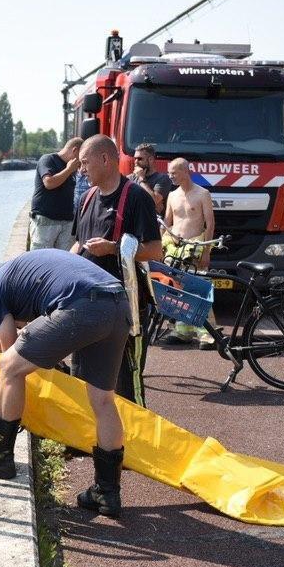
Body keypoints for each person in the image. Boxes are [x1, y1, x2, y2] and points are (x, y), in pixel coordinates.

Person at [0, 250, 132, 517]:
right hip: (117, 302)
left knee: (9, 368)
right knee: (102, 400)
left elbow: (10, 350)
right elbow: (23, 335)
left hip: (82, 306)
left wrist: (3, 350)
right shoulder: (20, 270)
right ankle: (107, 492)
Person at [71, 135, 164, 404]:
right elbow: (78, 244)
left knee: (124, 386)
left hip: (123, 309)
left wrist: (113, 248)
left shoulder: (136, 197)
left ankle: (131, 431)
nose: (81, 170)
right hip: (85, 305)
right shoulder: (86, 198)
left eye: (85, 163)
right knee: (82, 378)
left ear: (104, 159)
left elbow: (154, 250)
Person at [161, 157, 217, 348]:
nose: (170, 176)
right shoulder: (172, 195)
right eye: (169, 173)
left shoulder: (203, 194)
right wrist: (160, 245)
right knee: (177, 290)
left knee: (199, 289)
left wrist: (206, 252)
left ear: (186, 172)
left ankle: (207, 334)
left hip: (195, 248)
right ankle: (183, 330)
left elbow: (210, 224)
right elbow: (167, 222)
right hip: (174, 248)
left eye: (174, 173)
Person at [29, 137, 83, 250]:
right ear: (74, 150)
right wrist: (68, 170)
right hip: (46, 220)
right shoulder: (48, 159)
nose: (80, 162)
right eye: (80, 157)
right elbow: (48, 183)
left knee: (64, 258)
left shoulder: (72, 167)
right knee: (42, 257)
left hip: (67, 221)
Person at [130, 143, 173, 216]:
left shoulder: (163, 178)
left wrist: (142, 180)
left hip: (151, 221)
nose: (136, 162)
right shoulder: (129, 178)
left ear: (151, 159)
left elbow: (153, 200)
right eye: (135, 158)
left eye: (140, 159)